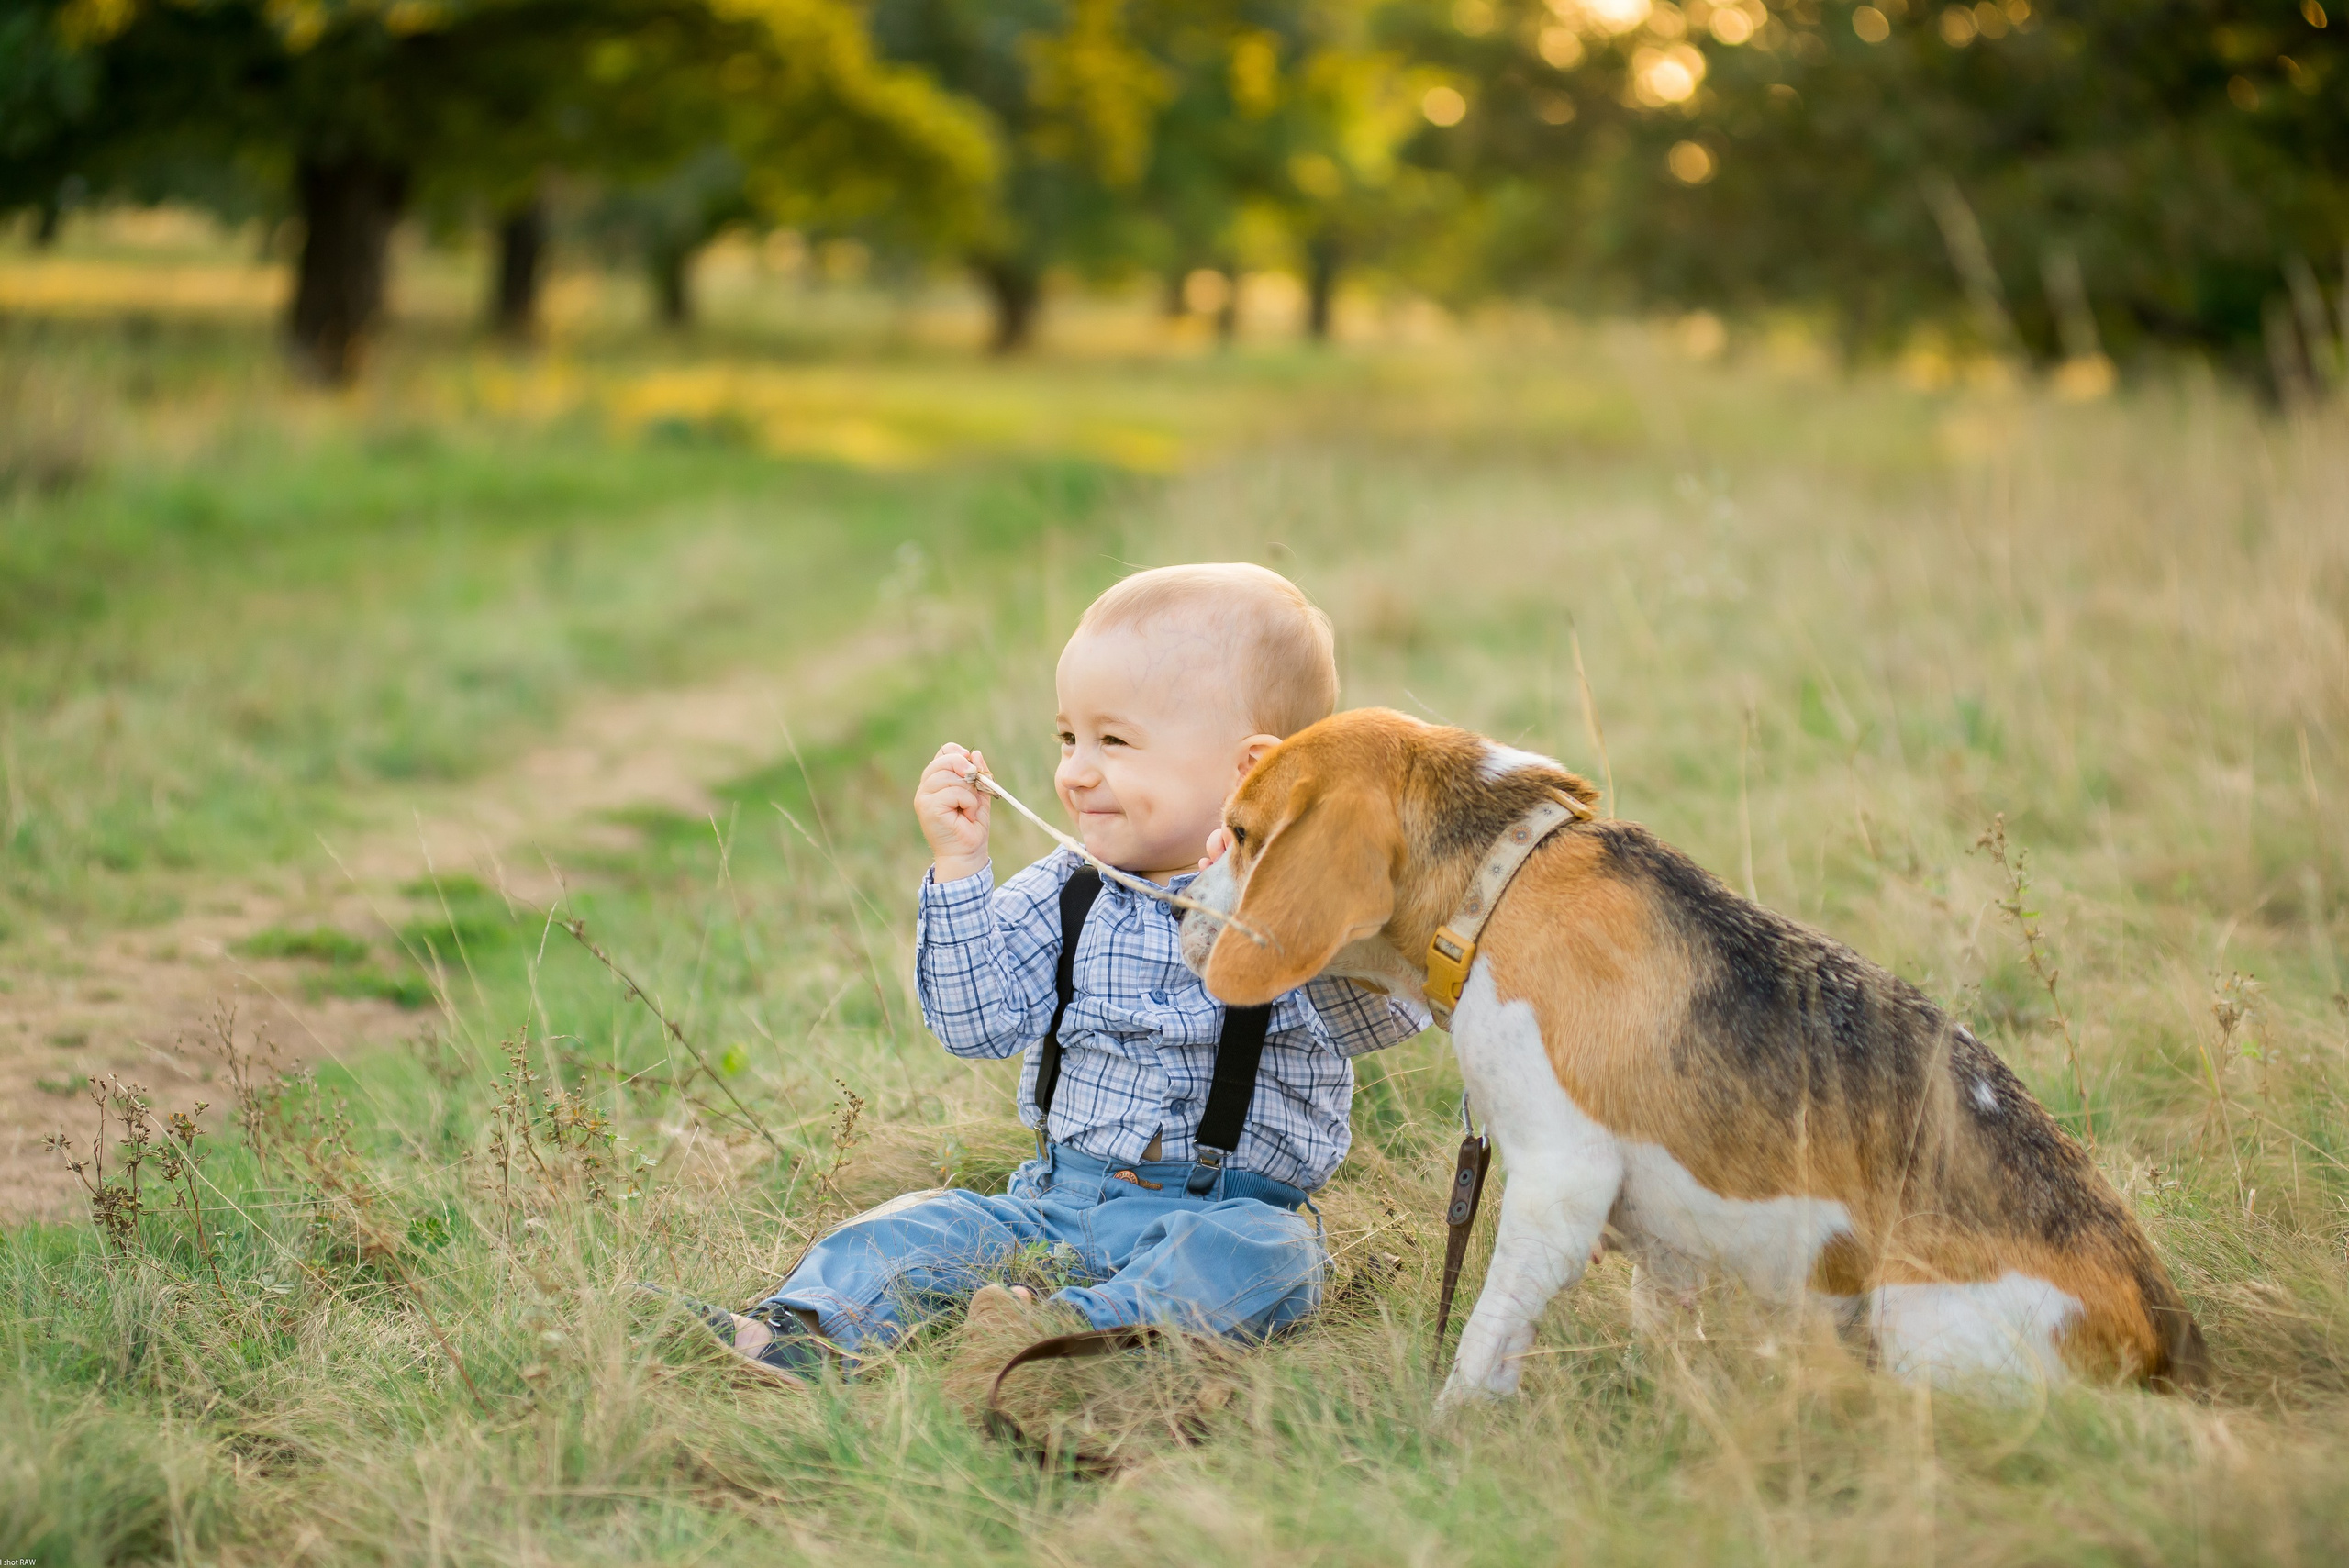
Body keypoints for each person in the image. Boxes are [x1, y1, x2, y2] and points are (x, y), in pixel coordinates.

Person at [690, 562, 1429, 1385]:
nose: (1075, 771)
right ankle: (796, 1335)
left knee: (1271, 1257)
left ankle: (1067, 1338)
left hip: (1222, 1208)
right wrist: (963, 870)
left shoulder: (1298, 898)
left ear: (1249, 770)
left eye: (1113, 741)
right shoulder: (1066, 886)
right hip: (1052, 1201)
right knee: (915, 1225)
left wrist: (1283, 896)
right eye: (1067, 737)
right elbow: (978, 1026)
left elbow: (1390, 1017)